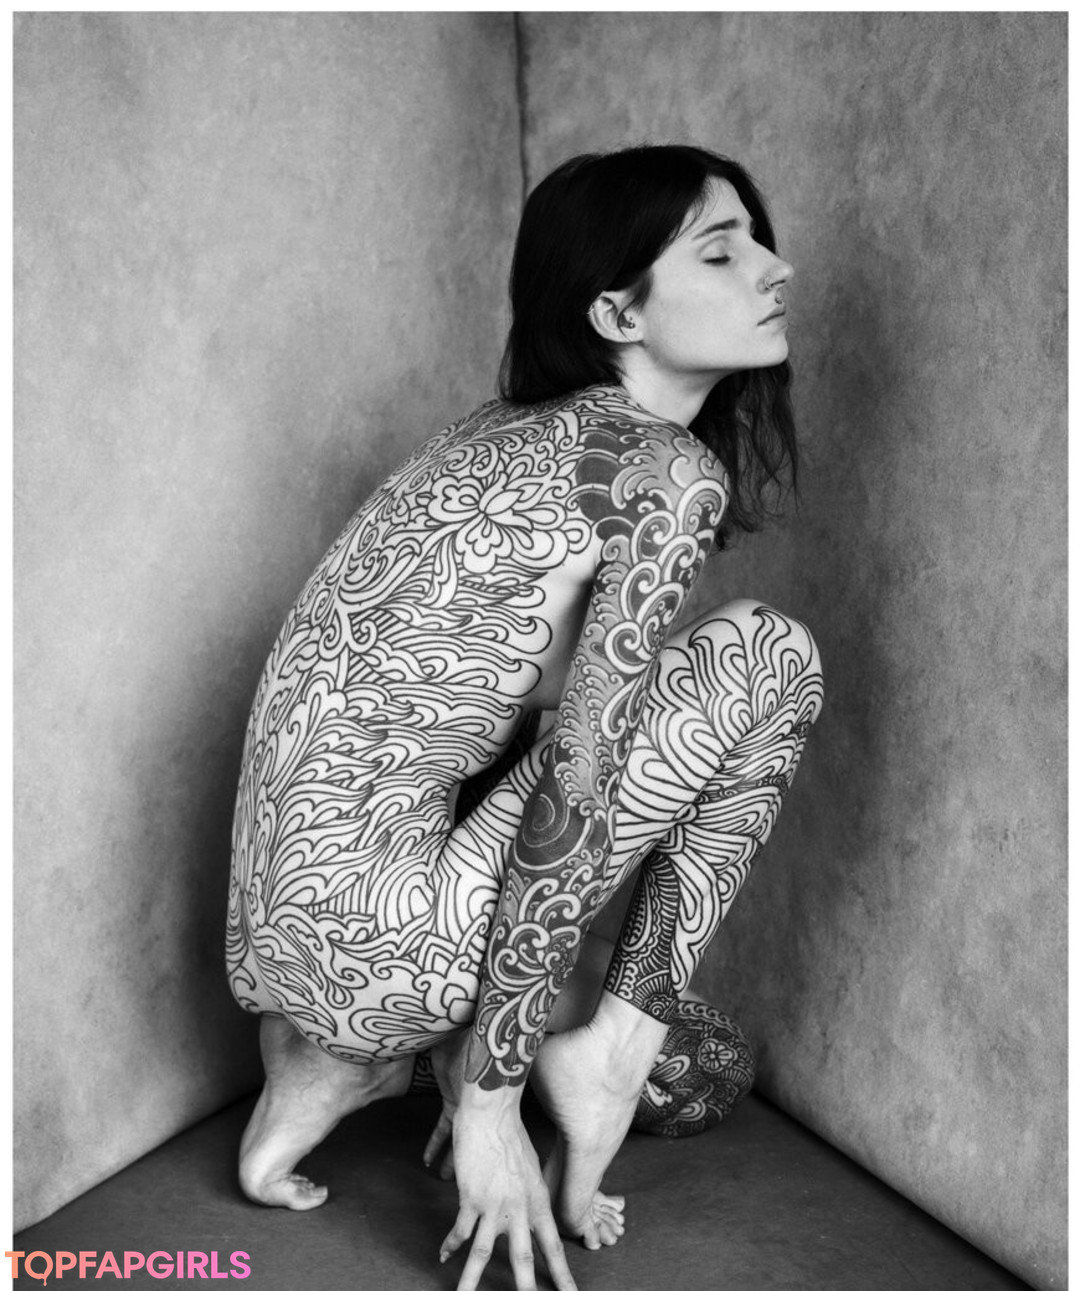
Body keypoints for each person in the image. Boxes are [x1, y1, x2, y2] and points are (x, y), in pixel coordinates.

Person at [226, 144, 824, 1291]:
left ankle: (338, 1066)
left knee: (521, 757)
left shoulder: (490, 434)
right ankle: (603, 1059)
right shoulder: (662, 472)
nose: (774, 267)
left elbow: (403, 711)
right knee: (769, 653)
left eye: (758, 241)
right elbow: (576, 786)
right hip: (398, 944)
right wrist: (494, 1097)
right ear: (616, 312)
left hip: (281, 956)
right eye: (721, 251)